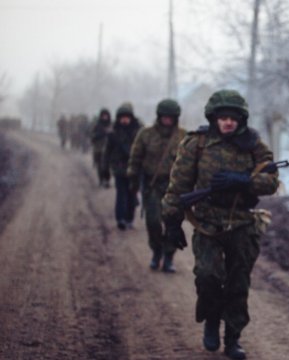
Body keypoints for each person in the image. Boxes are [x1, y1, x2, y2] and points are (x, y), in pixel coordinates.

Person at [162, 90, 279, 359]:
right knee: (208, 275)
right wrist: (172, 223)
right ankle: (212, 319)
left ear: (241, 119)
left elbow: (272, 181)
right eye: (223, 117)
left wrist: (244, 181)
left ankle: (233, 339)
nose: (228, 122)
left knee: (238, 283)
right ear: (214, 118)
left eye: (233, 118)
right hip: (207, 222)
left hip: (242, 223)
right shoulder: (197, 144)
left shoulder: (254, 145)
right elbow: (177, 186)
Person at [127, 99, 186, 272]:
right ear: (159, 116)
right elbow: (136, 156)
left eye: (171, 117)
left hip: (175, 187)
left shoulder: (184, 136)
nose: (167, 119)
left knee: (172, 223)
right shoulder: (146, 134)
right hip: (152, 185)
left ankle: (169, 256)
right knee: (153, 221)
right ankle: (156, 251)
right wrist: (133, 177)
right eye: (164, 116)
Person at [102, 102, 142, 230]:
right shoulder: (113, 133)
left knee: (132, 195)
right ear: (119, 118)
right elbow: (107, 152)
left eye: (127, 117)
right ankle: (120, 219)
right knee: (121, 194)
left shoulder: (138, 132)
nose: (124, 120)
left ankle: (129, 219)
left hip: (134, 170)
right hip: (119, 169)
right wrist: (105, 169)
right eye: (122, 117)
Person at [90, 108, 112, 187]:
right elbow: (92, 136)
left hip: (109, 149)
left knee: (107, 166)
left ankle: (107, 179)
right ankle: (101, 179)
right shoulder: (97, 125)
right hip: (98, 148)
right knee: (100, 166)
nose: (105, 117)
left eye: (106, 116)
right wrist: (98, 135)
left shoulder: (111, 125)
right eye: (103, 116)